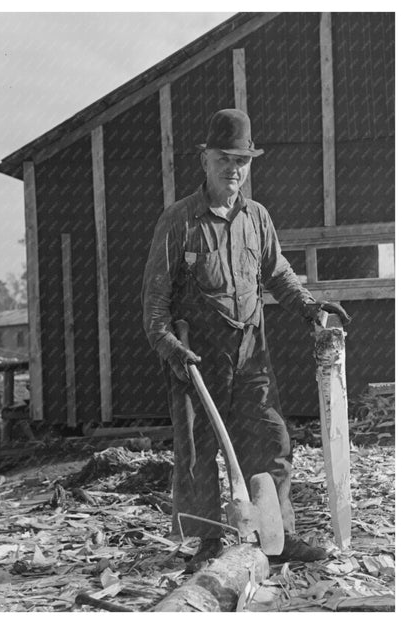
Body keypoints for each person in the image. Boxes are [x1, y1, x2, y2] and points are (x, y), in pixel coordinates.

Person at [142, 109, 350, 571]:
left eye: (242, 160)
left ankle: (278, 539)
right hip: (196, 357)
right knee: (197, 453)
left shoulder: (257, 217)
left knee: (271, 438)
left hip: (250, 352)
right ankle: (205, 546)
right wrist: (172, 351)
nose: (233, 169)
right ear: (205, 160)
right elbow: (154, 308)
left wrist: (311, 308)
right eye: (224, 158)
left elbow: (278, 273)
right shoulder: (178, 222)